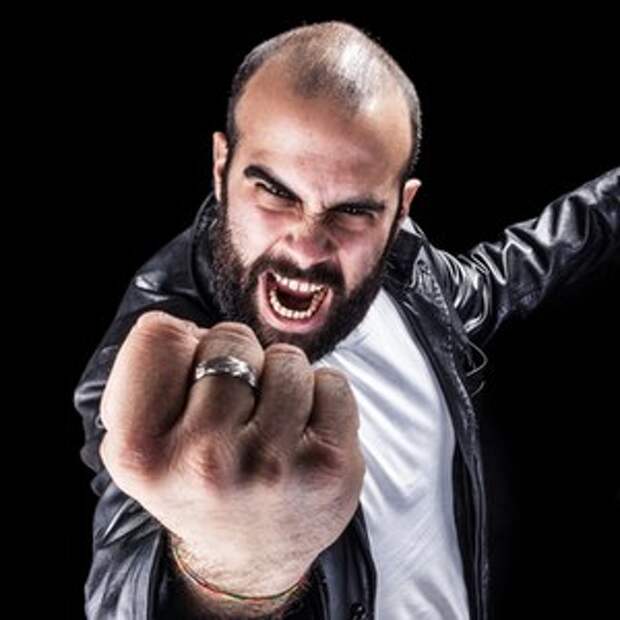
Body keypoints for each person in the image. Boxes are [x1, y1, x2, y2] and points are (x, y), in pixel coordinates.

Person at [72, 19, 619, 620]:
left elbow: (508, 275)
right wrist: (232, 576)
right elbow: (121, 590)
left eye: (353, 210)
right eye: (276, 192)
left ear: (400, 209)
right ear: (221, 165)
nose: (307, 247)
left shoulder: (405, 268)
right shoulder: (156, 355)